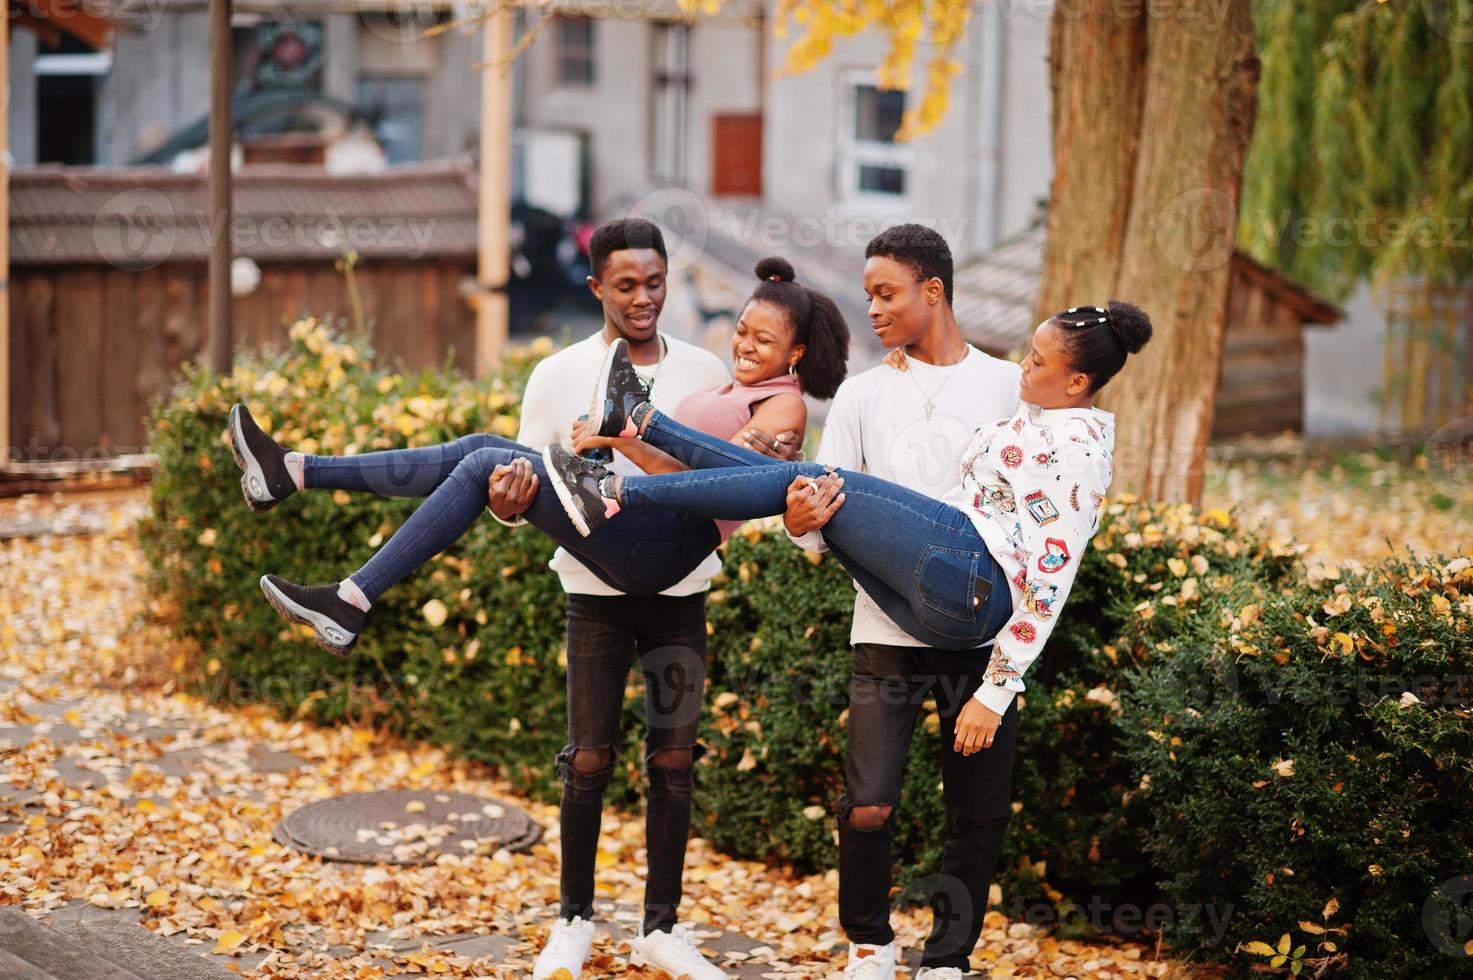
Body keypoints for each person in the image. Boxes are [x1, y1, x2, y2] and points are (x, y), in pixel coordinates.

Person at [226, 219, 846, 980]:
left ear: (795, 354)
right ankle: (303, 495)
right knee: (480, 456)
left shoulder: (759, 398)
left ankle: (661, 928)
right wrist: (550, 480)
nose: (742, 343)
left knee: (674, 760)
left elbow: (721, 485)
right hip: (606, 558)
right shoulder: (620, 377)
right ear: (596, 289)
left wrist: (622, 437)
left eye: (760, 337)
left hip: (667, 564)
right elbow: (517, 495)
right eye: (741, 330)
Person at [549, 294, 1153, 979]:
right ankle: (629, 442)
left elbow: (1051, 575)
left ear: (1077, 382)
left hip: (974, 582)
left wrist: (997, 686)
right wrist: (834, 528)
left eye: (1039, 361)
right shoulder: (1030, 417)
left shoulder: (1075, 446)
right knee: (807, 494)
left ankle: (622, 474)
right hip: (940, 590)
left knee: (810, 480)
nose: (1024, 366)